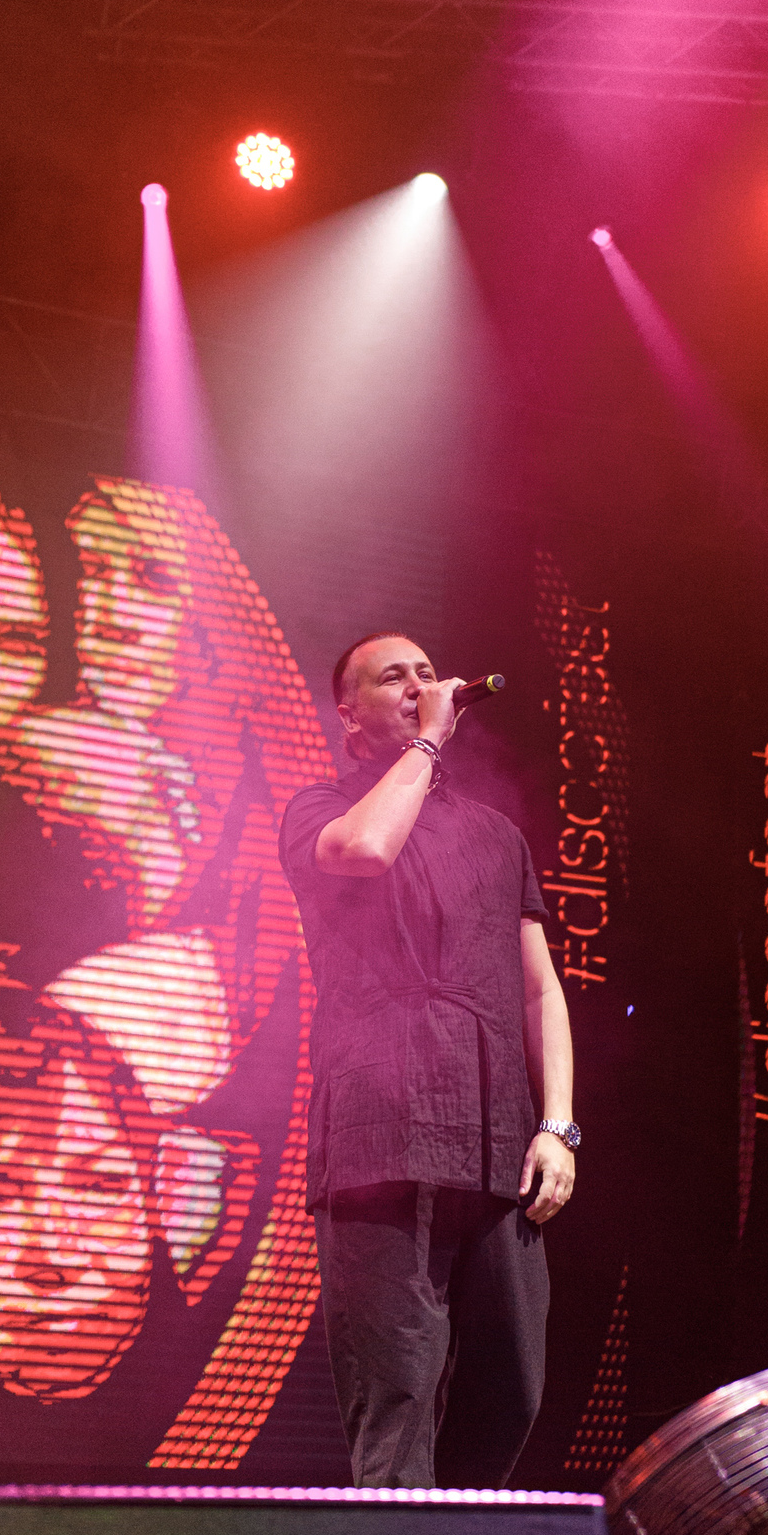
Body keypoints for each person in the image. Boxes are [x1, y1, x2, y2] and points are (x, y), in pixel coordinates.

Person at [278, 631, 578, 1489]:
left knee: (511, 1389)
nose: (418, 685)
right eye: (392, 678)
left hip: (498, 1141)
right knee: (399, 1393)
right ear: (348, 714)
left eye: (426, 672)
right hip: (380, 1140)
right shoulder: (319, 808)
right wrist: (428, 743)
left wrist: (558, 1125)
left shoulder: (496, 836)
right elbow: (366, 850)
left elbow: (539, 990)